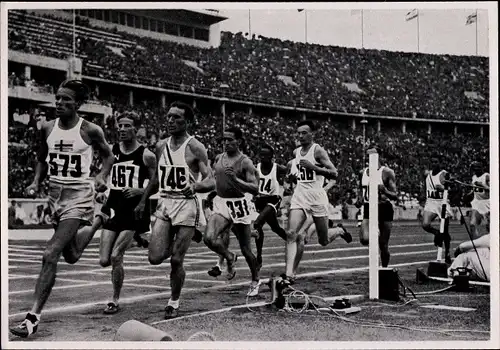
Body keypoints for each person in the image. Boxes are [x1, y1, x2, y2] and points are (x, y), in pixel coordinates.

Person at [10, 79, 113, 338]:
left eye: (66, 99)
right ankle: (99, 221)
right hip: (55, 195)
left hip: (79, 195)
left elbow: (109, 156)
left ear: (78, 104)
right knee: (72, 255)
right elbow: (41, 158)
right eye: (58, 98)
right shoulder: (46, 127)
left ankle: (33, 317)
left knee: (50, 253)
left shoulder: (90, 130)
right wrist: (35, 181)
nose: (60, 103)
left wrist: (101, 176)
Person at [134, 101, 215, 320]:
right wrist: (143, 201)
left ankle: (174, 301)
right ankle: (189, 237)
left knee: (177, 260)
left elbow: (211, 181)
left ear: (187, 121)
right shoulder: (161, 146)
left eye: (176, 117)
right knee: (154, 257)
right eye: (169, 116)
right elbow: (158, 178)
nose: (170, 121)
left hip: (187, 205)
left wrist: (196, 186)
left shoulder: (195, 147)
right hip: (165, 203)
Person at [96, 112, 157, 314]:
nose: (121, 129)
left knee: (116, 257)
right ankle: (139, 240)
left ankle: (114, 299)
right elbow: (103, 176)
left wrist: (141, 191)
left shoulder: (146, 155)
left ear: (136, 129)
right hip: (113, 208)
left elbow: (157, 184)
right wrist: (101, 188)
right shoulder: (111, 152)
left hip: (133, 211)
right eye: (119, 125)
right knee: (104, 260)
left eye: (126, 126)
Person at [282, 121, 350, 285]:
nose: (300, 136)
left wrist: (315, 168)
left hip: (317, 197)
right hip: (300, 195)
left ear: (312, 134)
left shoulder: (318, 150)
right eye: (298, 133)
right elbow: (296, 173)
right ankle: (289, 273)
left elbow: (334, 173)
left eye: (304, 133)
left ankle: (339, 231)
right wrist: (292, 176)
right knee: (291, 233)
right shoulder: (296, 152)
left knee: (323, 240)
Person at [203, 126, 261, 296]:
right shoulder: (219, 158)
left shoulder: (245, 162)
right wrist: (212, 193)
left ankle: (255, 279)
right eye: (224, 140)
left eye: (230, 140)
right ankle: (229, 256)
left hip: (239, 205)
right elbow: (217, 180)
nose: (226, 143)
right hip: (221, 203)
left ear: (239, 141)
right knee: (209, 238)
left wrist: (236, 179)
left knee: (246, 249)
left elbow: (255, 188)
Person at [356, 147, 398, 268]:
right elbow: (361, 189)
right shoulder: (362, 172)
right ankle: (376, 234)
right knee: (364, 239)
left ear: (379, 156)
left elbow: (395, 195)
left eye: (372, 154)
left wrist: (384, 190)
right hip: (369, 207)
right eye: (367, 155)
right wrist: (359, 199)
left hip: (384, 208)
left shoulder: (387, 172)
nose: (369, 157)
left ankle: (384, 269)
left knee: (383, 245)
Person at [252, 143, 288, 270]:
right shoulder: (256, 167)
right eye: (261, 155)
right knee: (275, 228)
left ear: (272, 157)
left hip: (273, 200)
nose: (262, 158)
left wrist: (291, 180)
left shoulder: (277, 168)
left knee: (257, 223)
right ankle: (290, 240)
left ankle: (259, 257)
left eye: (265, 156)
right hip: (260, 201)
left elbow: (292, 170)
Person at [421, 153, 453, 264]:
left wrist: (444, 188)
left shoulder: (444, 174)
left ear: (440, 163)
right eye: (432, 162)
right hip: (431, 202)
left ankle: (447, 253)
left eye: (436, 162)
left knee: (446, 230)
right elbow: (425, 186)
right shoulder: (427, 174)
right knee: (425, 224)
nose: (434, 164)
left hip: (442, 202)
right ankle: (437, 234)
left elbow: (453, 188)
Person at [463, 161, 490, 239]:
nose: (476, 170)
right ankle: (475, 244)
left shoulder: (487, 176)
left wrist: (482, 185)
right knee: (472, 225)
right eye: (474, 169)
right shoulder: (474, 177)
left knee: (490, 227)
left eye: (477, 168)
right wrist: (469, 194)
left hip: (488, 203)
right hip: (477, 203)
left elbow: (493, 189)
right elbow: (474, 189)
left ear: (481, 168)